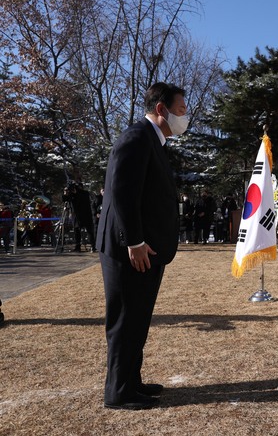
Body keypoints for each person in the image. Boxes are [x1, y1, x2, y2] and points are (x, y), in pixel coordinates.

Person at [96, 82, 188, 410]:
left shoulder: (153, 141)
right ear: (160, 109)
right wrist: (134, 241)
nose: (185, 116)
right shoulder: (136, 138)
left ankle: (131, 381)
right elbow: (122, 192)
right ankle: (118, 392)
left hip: (145, 250)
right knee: (125, 318)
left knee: (137, 317)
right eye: (181, 110)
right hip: (129, 250)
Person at [63, 182, 96, 252]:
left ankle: (93, 246)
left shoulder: (84, 193)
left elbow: (80, 200)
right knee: (77, 231)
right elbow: (65, 199)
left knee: (89, 231)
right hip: (76, 215)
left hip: (85, 215)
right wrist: (65, 193)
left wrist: (75, 194)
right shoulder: (73, 195)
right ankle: (78, 246)